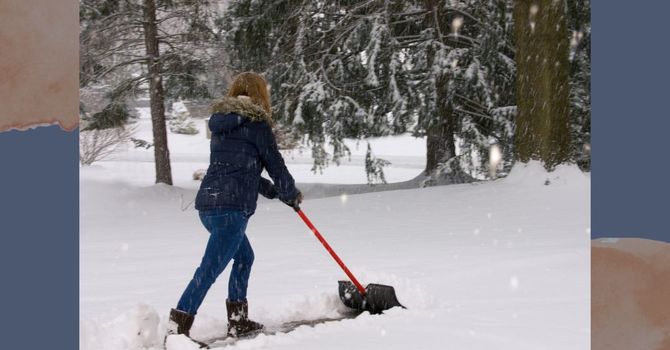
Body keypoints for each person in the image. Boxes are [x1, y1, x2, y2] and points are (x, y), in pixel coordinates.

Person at [167, 72, 303, 340]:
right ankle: (177, 329)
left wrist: (276, 192)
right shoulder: (257, 125)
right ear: (261, 95)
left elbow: (240, 169)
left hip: (208, 205)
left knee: (243, 257)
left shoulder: (221, 125)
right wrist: (290, 192)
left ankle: (238, 320)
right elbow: (275, 165)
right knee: (209, 269)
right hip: (231, 209)